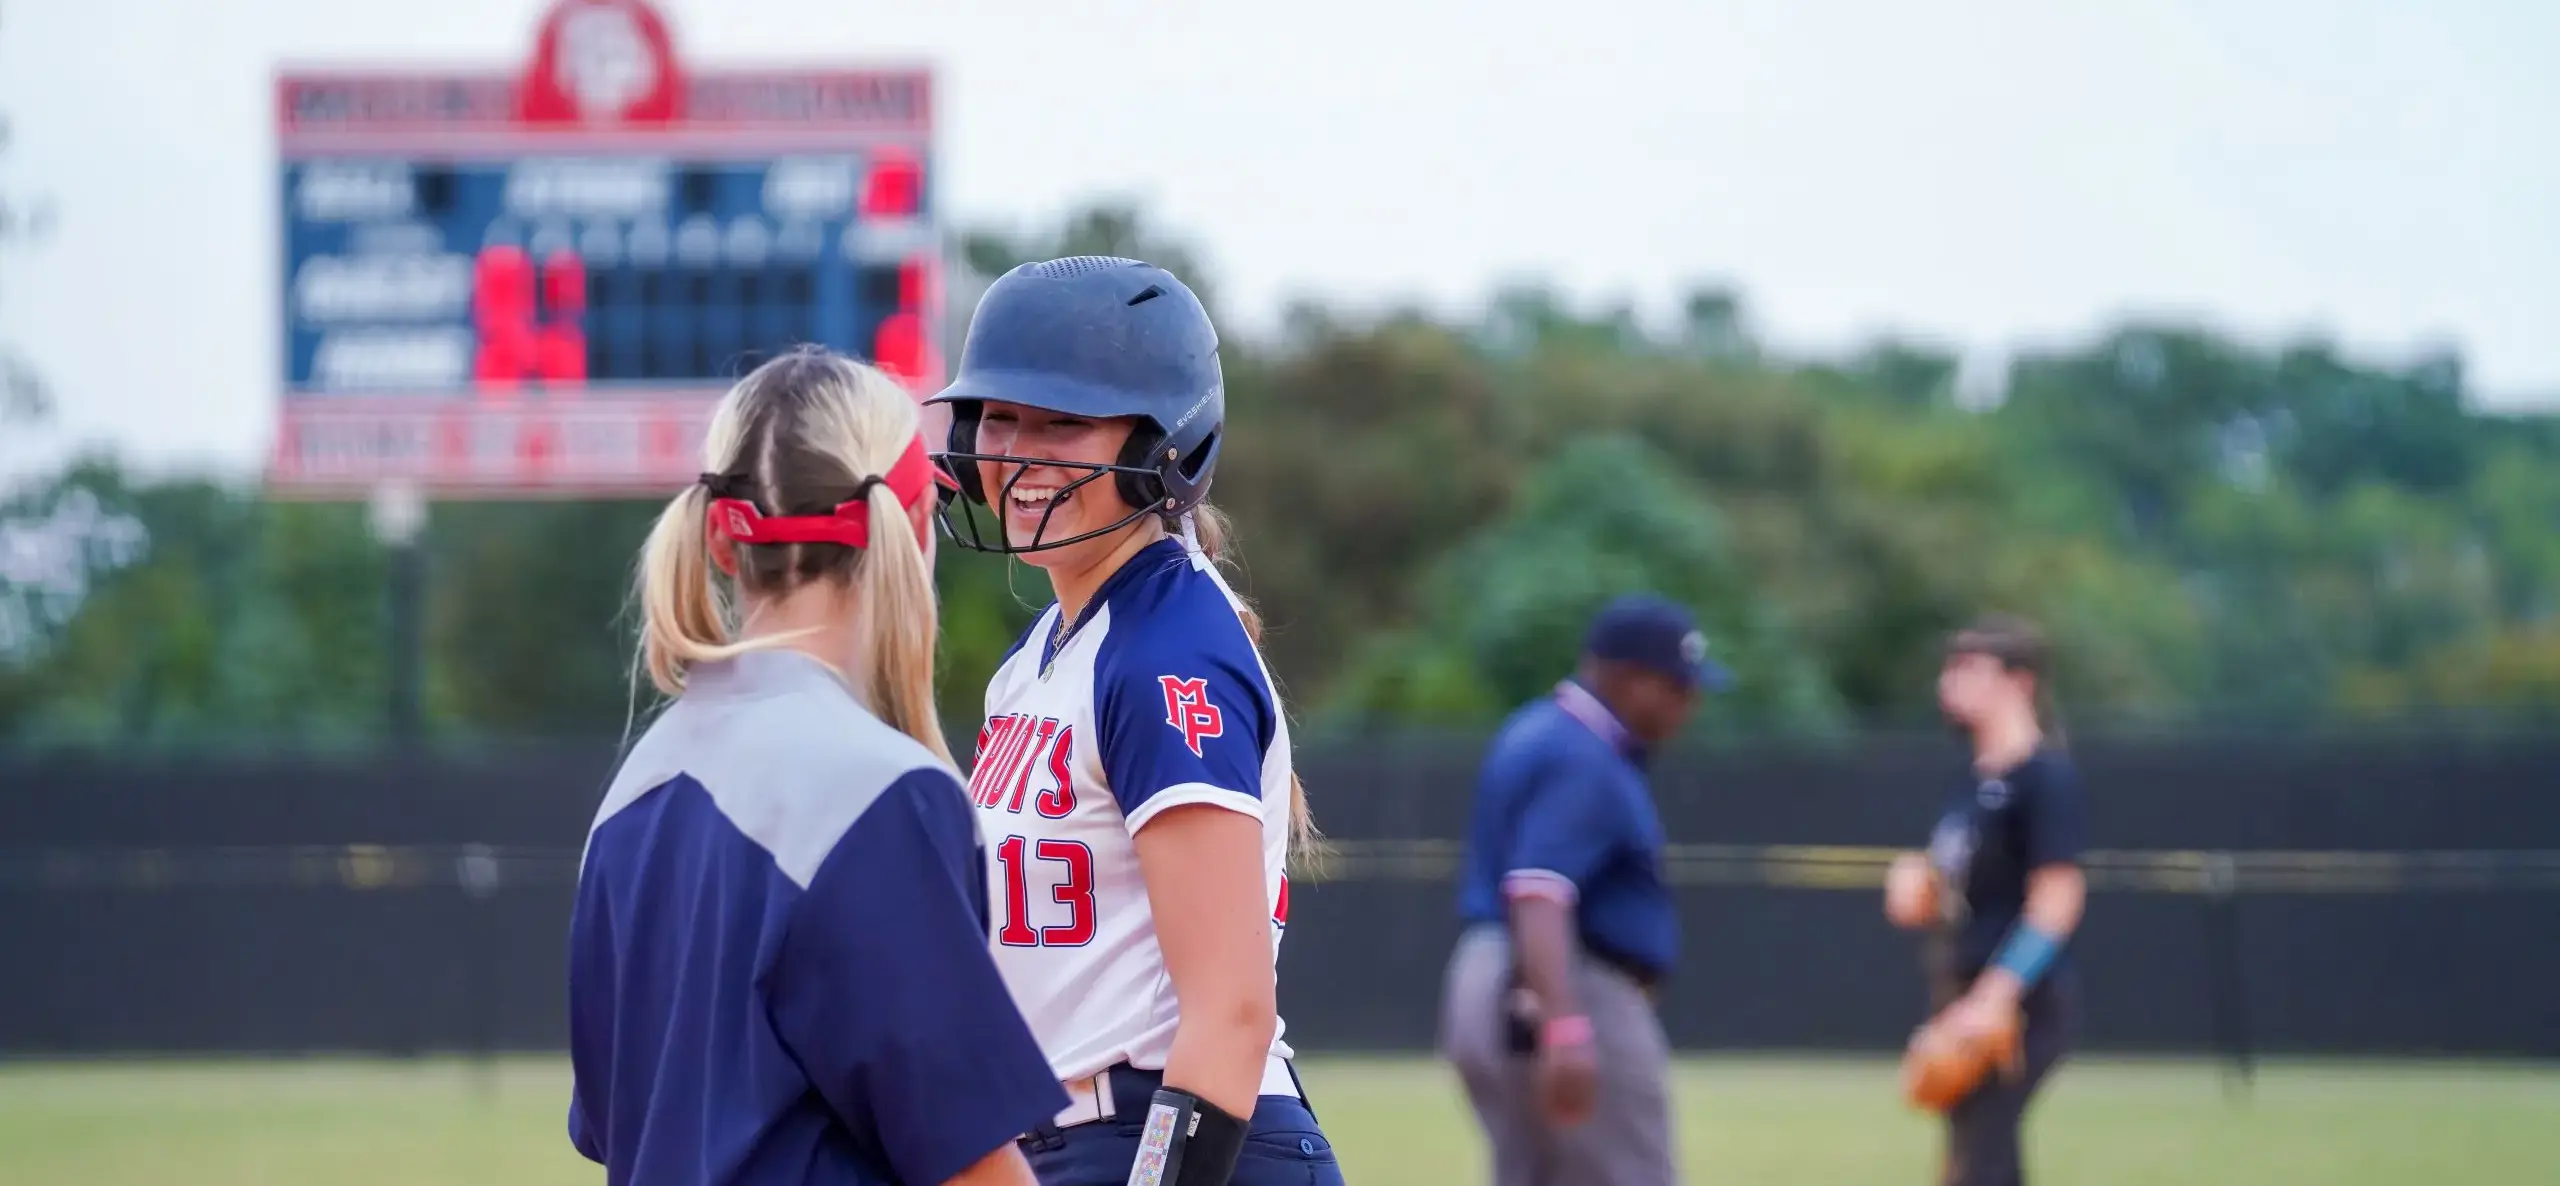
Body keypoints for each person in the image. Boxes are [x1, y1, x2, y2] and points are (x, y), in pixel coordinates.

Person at [565, 348, 1068, 1186]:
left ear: (723, 546)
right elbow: (971, 1167)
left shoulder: (630, 799)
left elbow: (615, 1131)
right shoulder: (879, 794)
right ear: (909, 528)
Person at [925, 256, 1344, 1186]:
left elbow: (1231, 1014)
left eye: (1064, 422)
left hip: (1176, 1136)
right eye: (1001, 416)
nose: (1019, 453)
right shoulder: (1047, 653)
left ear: (1165, 444)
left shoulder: (1163, 652)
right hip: (1072, 1136)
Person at [1439, 594, 1728, 1186]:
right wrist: (1565, 1027)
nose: (1688, 702)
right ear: (1625, 678)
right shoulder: (1585, 755)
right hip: (1568, 984)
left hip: (1496, 977)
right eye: (1675, 685)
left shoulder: (1535, 730)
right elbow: (1538, 891)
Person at [1882, 614, 2089, 1186]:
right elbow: (1948, 894)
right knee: (1977, 1157)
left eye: (1970, 667)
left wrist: (1997, 996)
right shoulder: (1972, 782)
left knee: (1982, 1157)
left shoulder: (2044, 777)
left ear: (2020, 682)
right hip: (1962, 987)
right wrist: (1917, 889)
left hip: (2019, 1000)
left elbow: (2058, 897)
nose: (1950, 681)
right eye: (1950, 668)